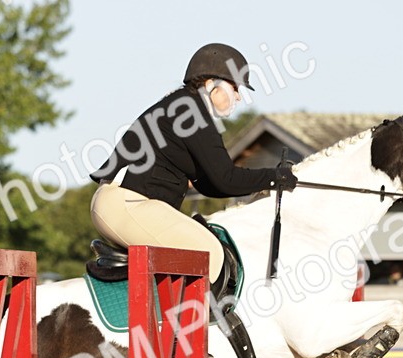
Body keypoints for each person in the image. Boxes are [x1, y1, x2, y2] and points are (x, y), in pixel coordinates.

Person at [90, 43, 297, 282]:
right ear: (211, 85)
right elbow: (226, 179)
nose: (239, 96)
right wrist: (274, 176)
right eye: (234, 87)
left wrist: (269, 178)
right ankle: (188, 320)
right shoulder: (191, 111)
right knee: (209, 254)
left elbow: (211, 184)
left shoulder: (186, 107)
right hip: (126, 204)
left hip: (123, 204)